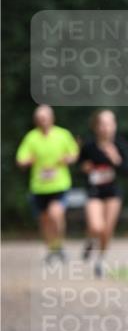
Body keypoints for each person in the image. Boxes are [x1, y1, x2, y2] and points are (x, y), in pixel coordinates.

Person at [16, 104, 79, 264]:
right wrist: (26, 161)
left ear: (52, 118)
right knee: (44, 220)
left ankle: (59, 245)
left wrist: (68, 159)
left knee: (55, 214)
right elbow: (20, 159)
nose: (42, 121)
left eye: (44, 118)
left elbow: (74, 153)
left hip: (59, 185)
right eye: (39, 119)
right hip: (39, 187)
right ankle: (52, 248)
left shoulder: (63, 134)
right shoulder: (31, 138)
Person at [79, 109, 128, 276]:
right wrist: (85, 168)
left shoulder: (120, 145)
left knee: (107, 229)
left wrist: (115, 158)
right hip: (94, 191)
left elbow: (127, 170)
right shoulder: (89, 145)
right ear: (96, 126)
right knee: (96, 226)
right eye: (103, 124)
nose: (106, 127)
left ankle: (100, 260)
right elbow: (80, 165)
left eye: (110, 123)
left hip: (113, 192)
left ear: (114, 126)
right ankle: (90, 240)